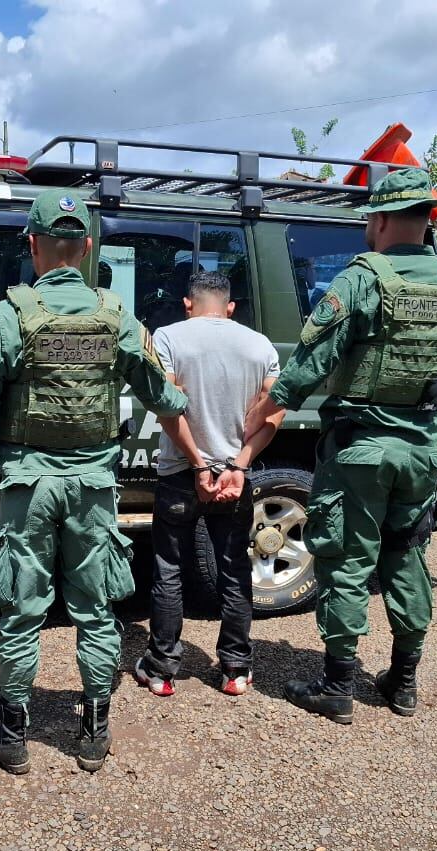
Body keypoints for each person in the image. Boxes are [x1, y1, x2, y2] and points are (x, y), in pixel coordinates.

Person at [0, 187, 188, 775]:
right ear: (84, 249)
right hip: (92, 488)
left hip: (27, 486)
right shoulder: (117, 317)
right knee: (96, 609)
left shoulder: (10, 315)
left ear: (33, 245)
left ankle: (11, 731)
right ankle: (94, 729)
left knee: (22, 608)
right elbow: (163, 393)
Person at [245, 167, 437, 725]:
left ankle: (337, 686)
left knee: (348, 561)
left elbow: (308, 367)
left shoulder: (360, 281)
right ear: (427, 222)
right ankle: (403, 683)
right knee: (406, 555)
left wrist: (262, 412)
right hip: (421, 454)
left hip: (360, 452)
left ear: (377, 221)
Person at [134, 270, 283, 697]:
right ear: (230, 307)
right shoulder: (260, 344)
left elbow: (167, 409)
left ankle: (161, 669)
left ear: (188, 303)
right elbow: (273, 414)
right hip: (236, 476)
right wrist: (238, 464)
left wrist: (199, 465)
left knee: (169, 569)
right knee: (235, 569)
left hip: (182, 474)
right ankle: (235, 670)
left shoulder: (167, 338)